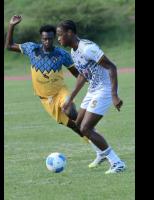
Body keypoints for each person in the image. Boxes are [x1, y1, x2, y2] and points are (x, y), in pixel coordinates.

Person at [5, 15, 101, 152]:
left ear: (54, 38)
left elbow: (77, 73)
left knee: (71, 111)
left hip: (60, 92)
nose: (47, 42)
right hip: (46, 100)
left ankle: (93, 132)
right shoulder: (32, 49)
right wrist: (11, 26)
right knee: (74, 126)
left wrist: (90, 81)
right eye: (45, 39)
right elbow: (8, 46)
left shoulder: (62, 54)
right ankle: (98, 149)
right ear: (41, 39)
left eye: (50, 39)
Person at [57, 20, 126, 174]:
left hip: (105, 89)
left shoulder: (87, 48)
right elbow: (82, 74)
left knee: (86, 128)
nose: (58, 39)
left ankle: (117, 163)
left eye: (60, 35)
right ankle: (102, 153)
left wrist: (114, 95)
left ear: (70, 33)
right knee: (79, 124)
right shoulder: (74, 52)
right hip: (93, 89)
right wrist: (70, 99)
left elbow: (111, 66)